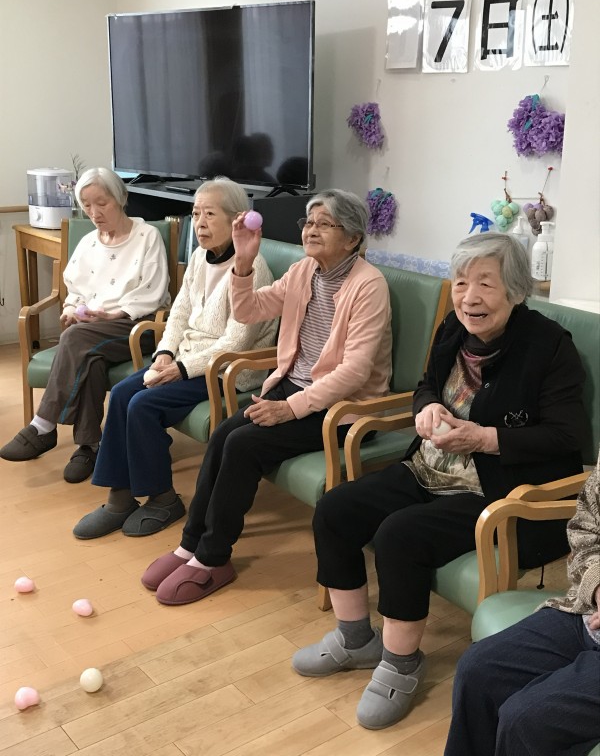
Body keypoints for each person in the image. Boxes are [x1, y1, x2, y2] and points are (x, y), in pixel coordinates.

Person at [292, 232, 588, 731]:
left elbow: (567, 436)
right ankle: (355, 638)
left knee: (400, 535)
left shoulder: (550, 347)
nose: (469, 297)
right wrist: (427, 406)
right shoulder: (454, 327)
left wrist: (484, 438)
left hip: (502, 491)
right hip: (432, 467)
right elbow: (427, 384)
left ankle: (401, 664)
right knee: (336, 508)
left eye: (486, 284)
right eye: (461, 282)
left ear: (516, 290)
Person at [140, 189, 393, 605]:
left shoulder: (369, 285)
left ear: (352, 238)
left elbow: (355, 372)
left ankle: (213, 558)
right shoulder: (304, 270)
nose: (311, 231)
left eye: (324, 224)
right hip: (293, 390)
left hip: (344, 410)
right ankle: (189, 545)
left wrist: (289, 409)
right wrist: (242, 263)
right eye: (309, 222)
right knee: (223, 434)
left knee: (242, 445)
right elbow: (249, 311)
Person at [72, 177, 277, 539]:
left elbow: (237, 343)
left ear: (237, 220)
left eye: (209, 214)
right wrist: (165, 353)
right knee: (122, 394)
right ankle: (120, 497)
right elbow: (179, 313)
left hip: (226, 370)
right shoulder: (199, 257)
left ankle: (163, 498)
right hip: (186, 359)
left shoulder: (252, 268)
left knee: (143, 405)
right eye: (196, 214)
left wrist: (181, 368)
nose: (199, 223)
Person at [0, 167, 170, 483]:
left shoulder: (147, 237)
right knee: (89, 357)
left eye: (102, 203)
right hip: (92, 331)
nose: (94, 212)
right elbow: (75, 290)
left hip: (137, 326)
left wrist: (112, 314)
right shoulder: (89, 242)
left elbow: (153, 293)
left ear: (121, 198)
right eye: (87, 205)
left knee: (77, 340)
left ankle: (43, 425)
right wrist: (70, 310)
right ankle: (89, 446)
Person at [444, 454, 600, 756]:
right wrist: (596, 585)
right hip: (587, 613)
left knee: (526, 721)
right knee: (477, 670)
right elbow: (587, 529)